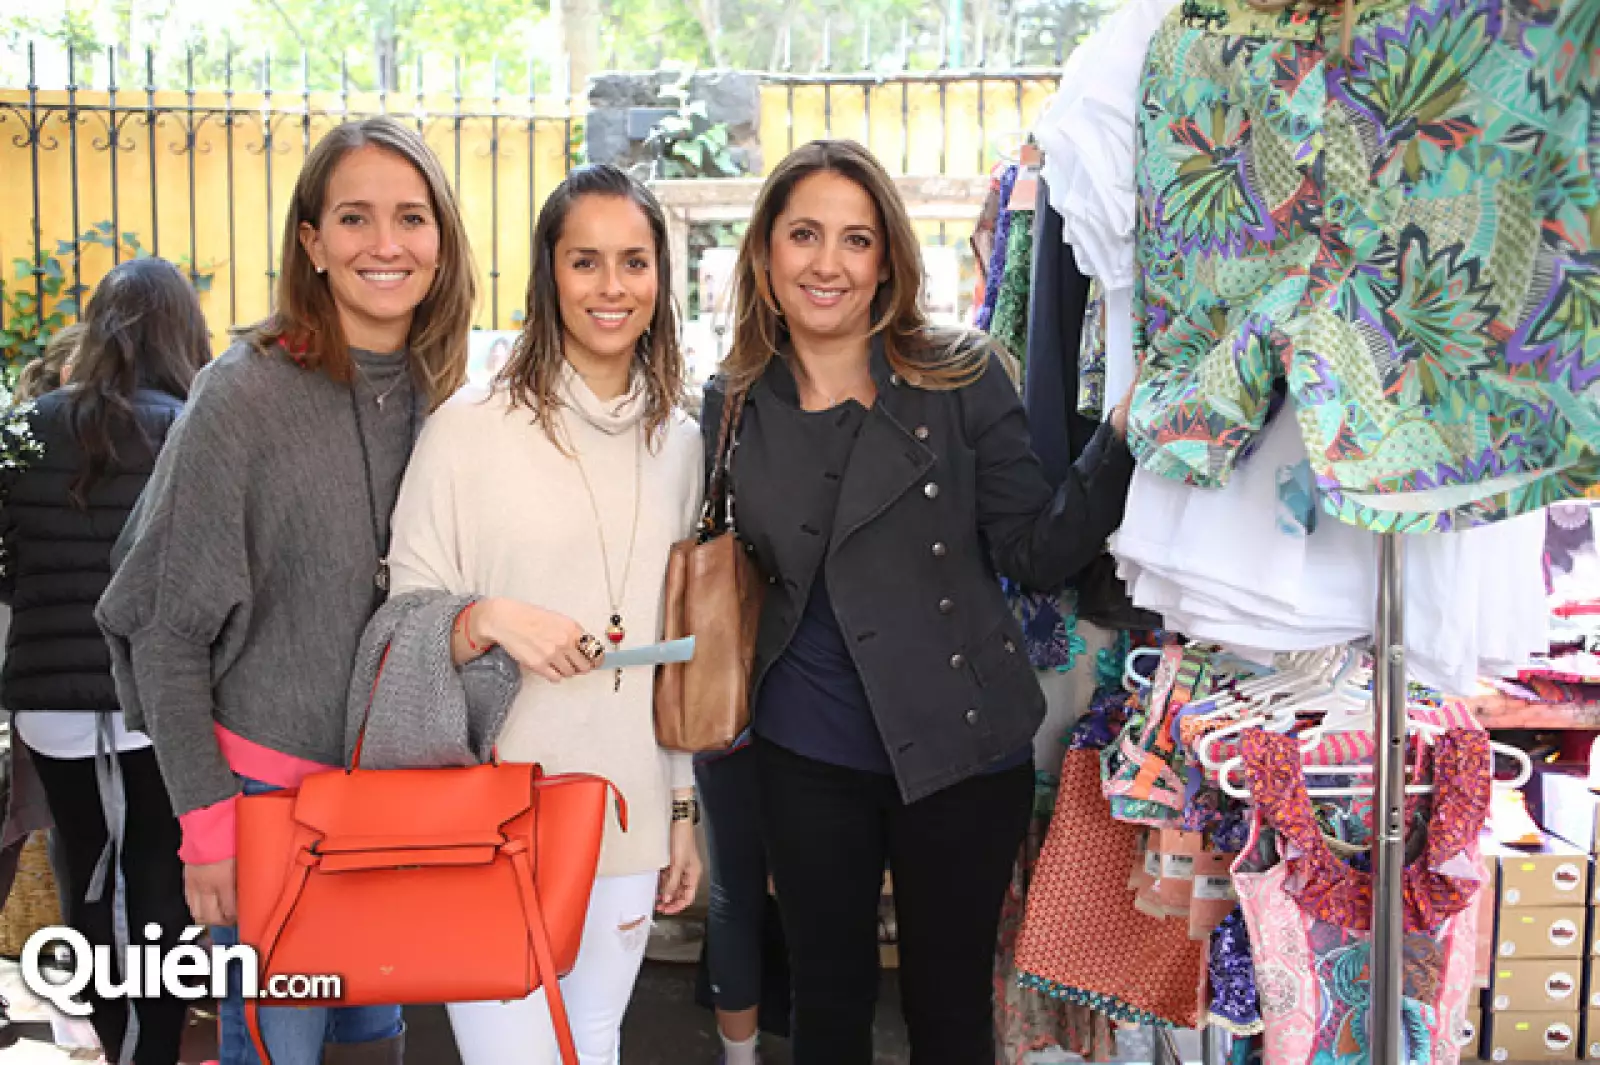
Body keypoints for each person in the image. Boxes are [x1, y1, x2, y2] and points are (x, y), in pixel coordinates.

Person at [702, 138, 1135, 1065]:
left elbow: (1037, 549)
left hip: (962, 747)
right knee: (828, 1006)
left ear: (888, 258)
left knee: (946, 1014)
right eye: (805, 235)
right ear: (767, 255)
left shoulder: (960, 374)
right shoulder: (733, 400)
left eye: (856, 240)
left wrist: (1122, 435)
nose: (829, 263)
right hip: (807, 751)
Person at [96, 115, 477, 1065]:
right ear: (312, 241)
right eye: (354, 218)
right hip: (267, 801)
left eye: (411, 218)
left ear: (443, 237)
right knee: (275, 1045)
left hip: (399, 795)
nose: (385, 244)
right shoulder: (243, 392)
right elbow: (166, 628)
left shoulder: (456, 393)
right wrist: (208, 827)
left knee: (374, 1038)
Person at [379, 162, 703, 1065]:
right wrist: (487, 617)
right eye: (585, 261)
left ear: (660, 280)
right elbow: (399, 624)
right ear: (547, 273)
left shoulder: (681, 440)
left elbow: (677, 651)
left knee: (592, 1039)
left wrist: (683, 807)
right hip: (491, 812)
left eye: (634, 262)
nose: (611, 287)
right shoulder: (468, 427)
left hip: (630, 803)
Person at [0, 258, 209, 1065]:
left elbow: (8, 565)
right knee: (158, 871)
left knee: (85, 861)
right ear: (183, 332)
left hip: (49, 703)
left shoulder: (29, 426)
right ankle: (152, 1046)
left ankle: (112, 1035)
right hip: (157, 702)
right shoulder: (192, 426)